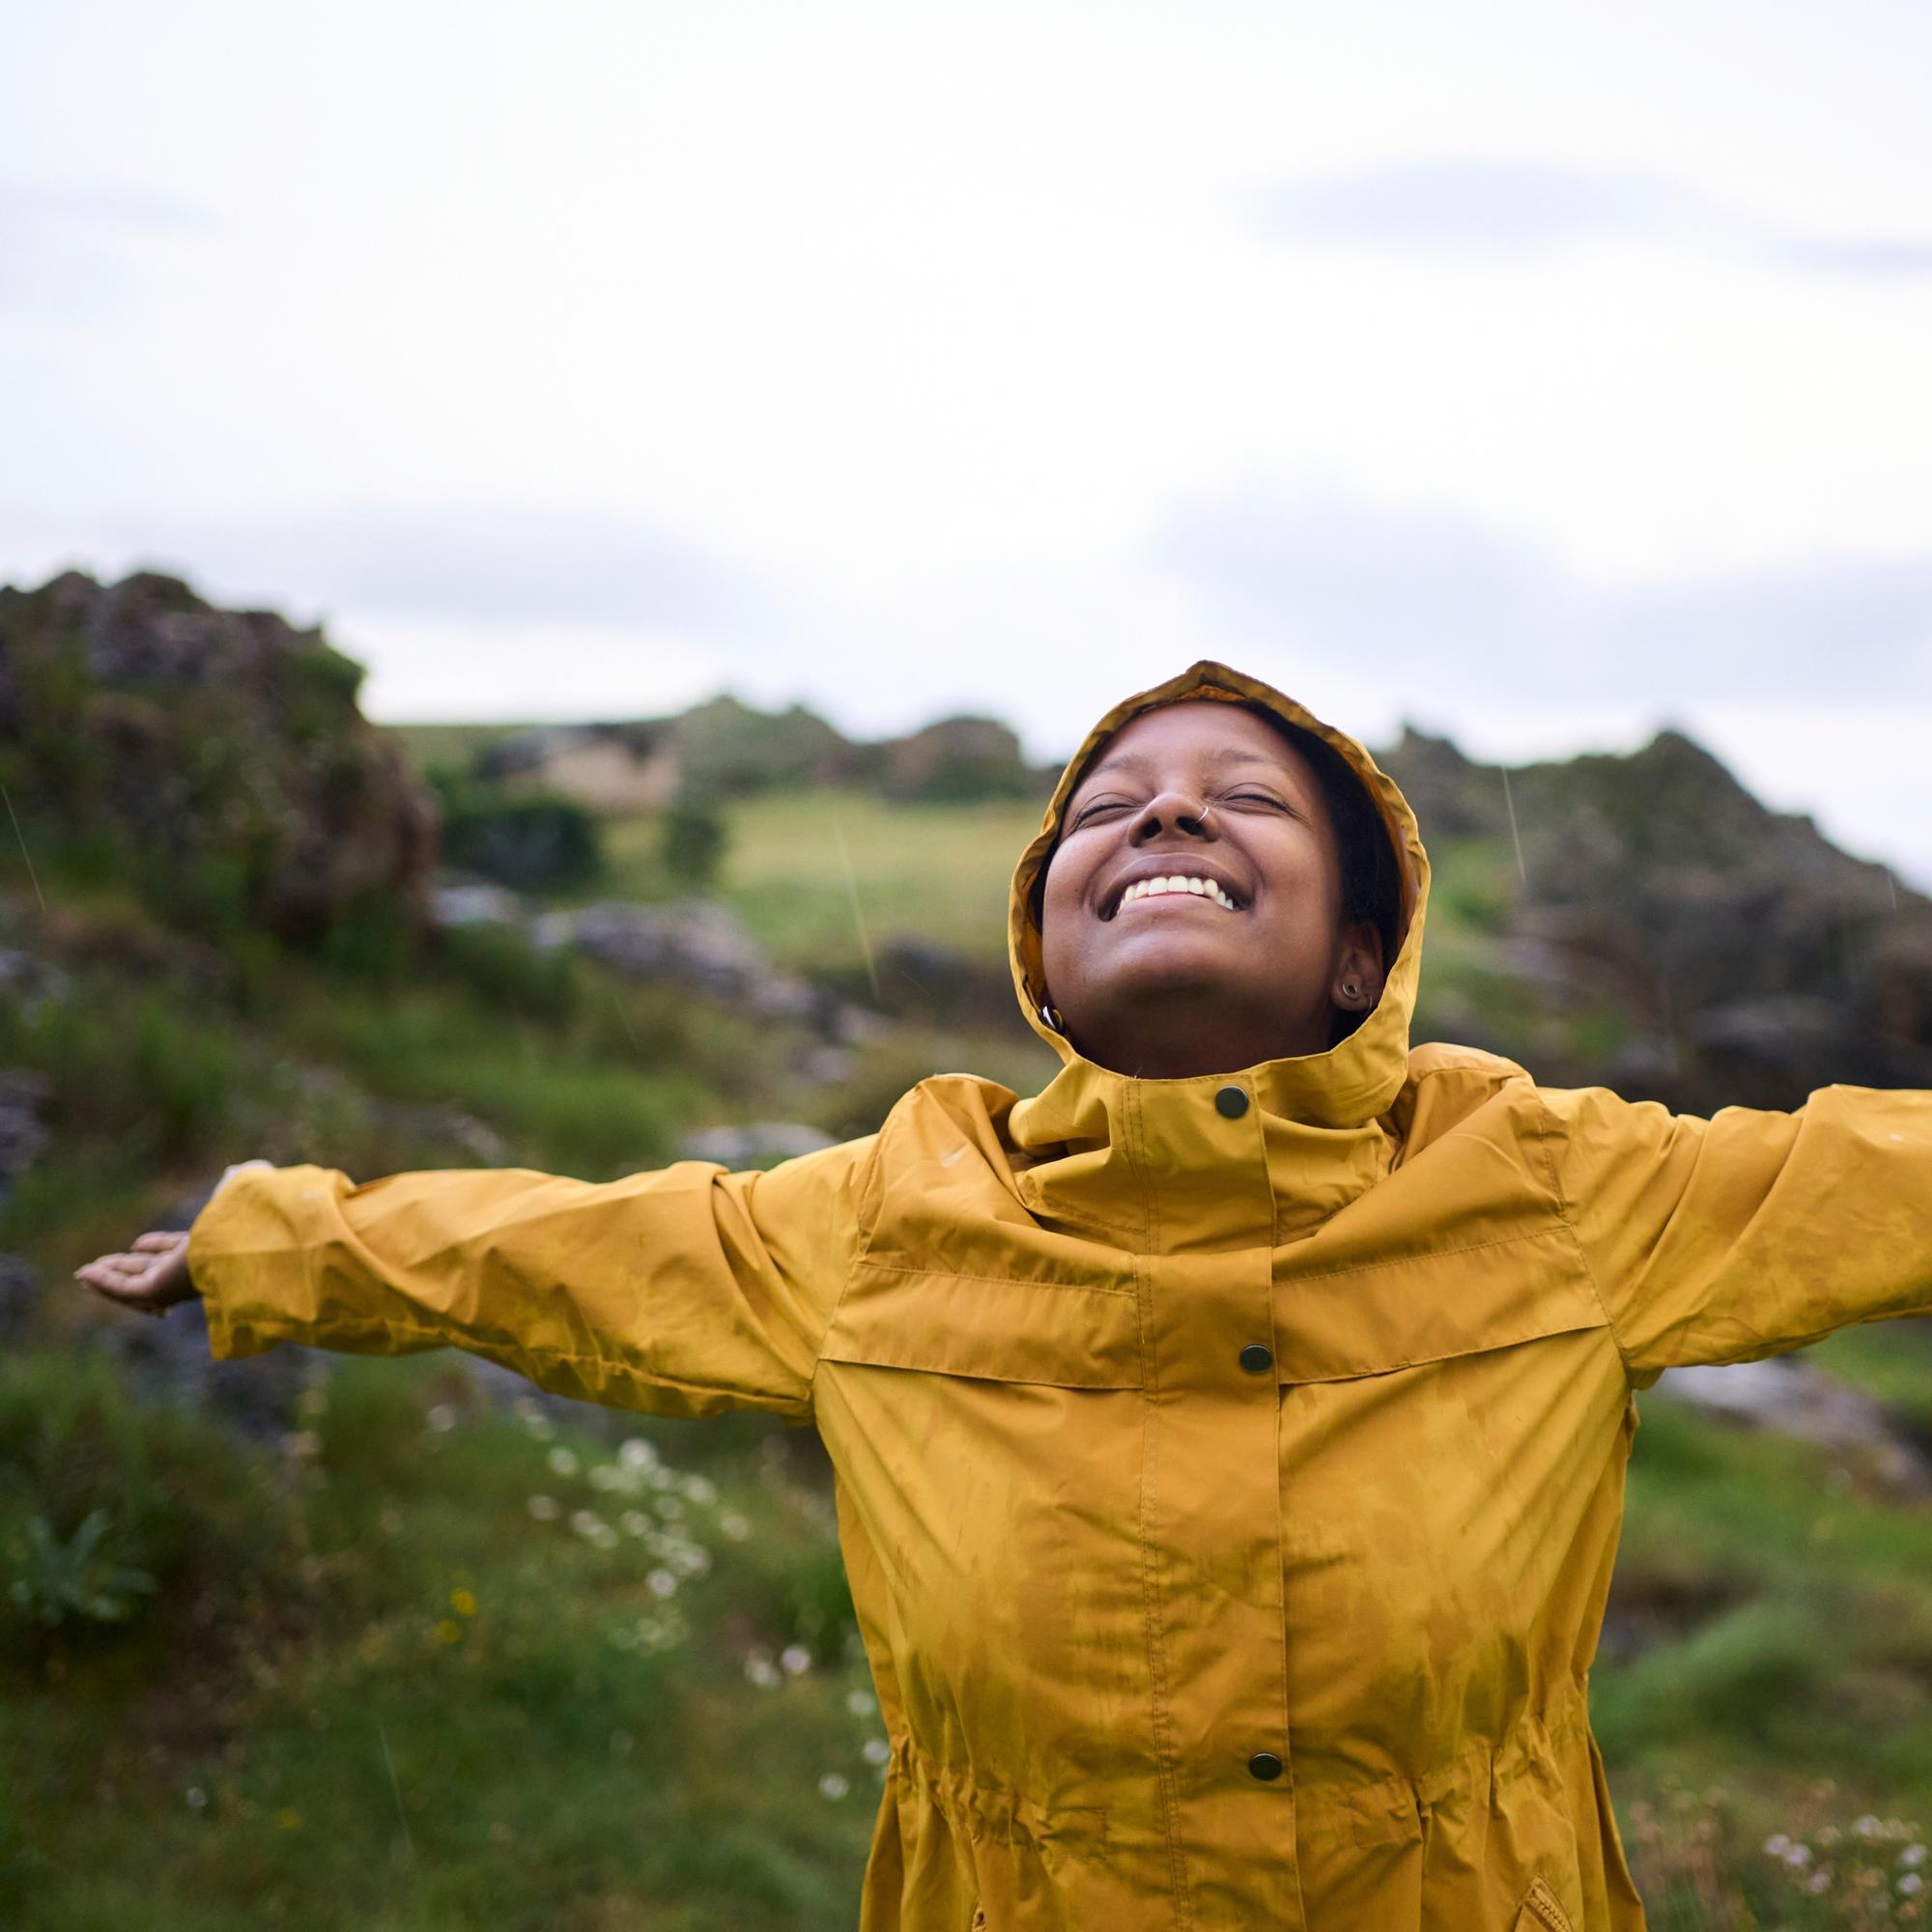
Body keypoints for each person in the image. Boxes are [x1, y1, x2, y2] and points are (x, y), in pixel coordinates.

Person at [74, 660, 1932, 1932]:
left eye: (1243, 797)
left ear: (1365, 945)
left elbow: (1877, 1175)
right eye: (1108, 808)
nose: (1166, 819)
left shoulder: (1558, 1189)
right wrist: (284, 1244)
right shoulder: (892, 1222)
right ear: (1048, 941)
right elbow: (567, 1252)